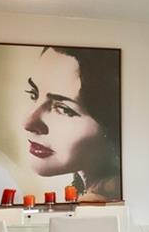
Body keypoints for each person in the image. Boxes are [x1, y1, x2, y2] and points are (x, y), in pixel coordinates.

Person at [22, 45, 122, 201]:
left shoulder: (101, 202)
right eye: (34, 94)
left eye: (64, 109)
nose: (28, 123)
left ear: (112, 123)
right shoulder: (90, 193)